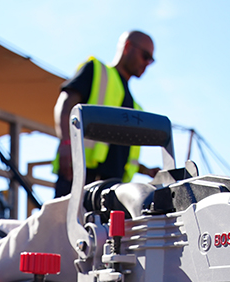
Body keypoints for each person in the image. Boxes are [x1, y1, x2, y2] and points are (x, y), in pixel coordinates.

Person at [52, 30, 157, 198]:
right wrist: (66, 143)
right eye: (145, 56)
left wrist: (146, 170)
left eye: (151, 60)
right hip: (79, 175)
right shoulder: (97, 71)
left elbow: (119, 151)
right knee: (65, 224)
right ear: (128, 47)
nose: (147, 63)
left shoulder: (135, 106)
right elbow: (65, 104)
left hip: (113, 191)